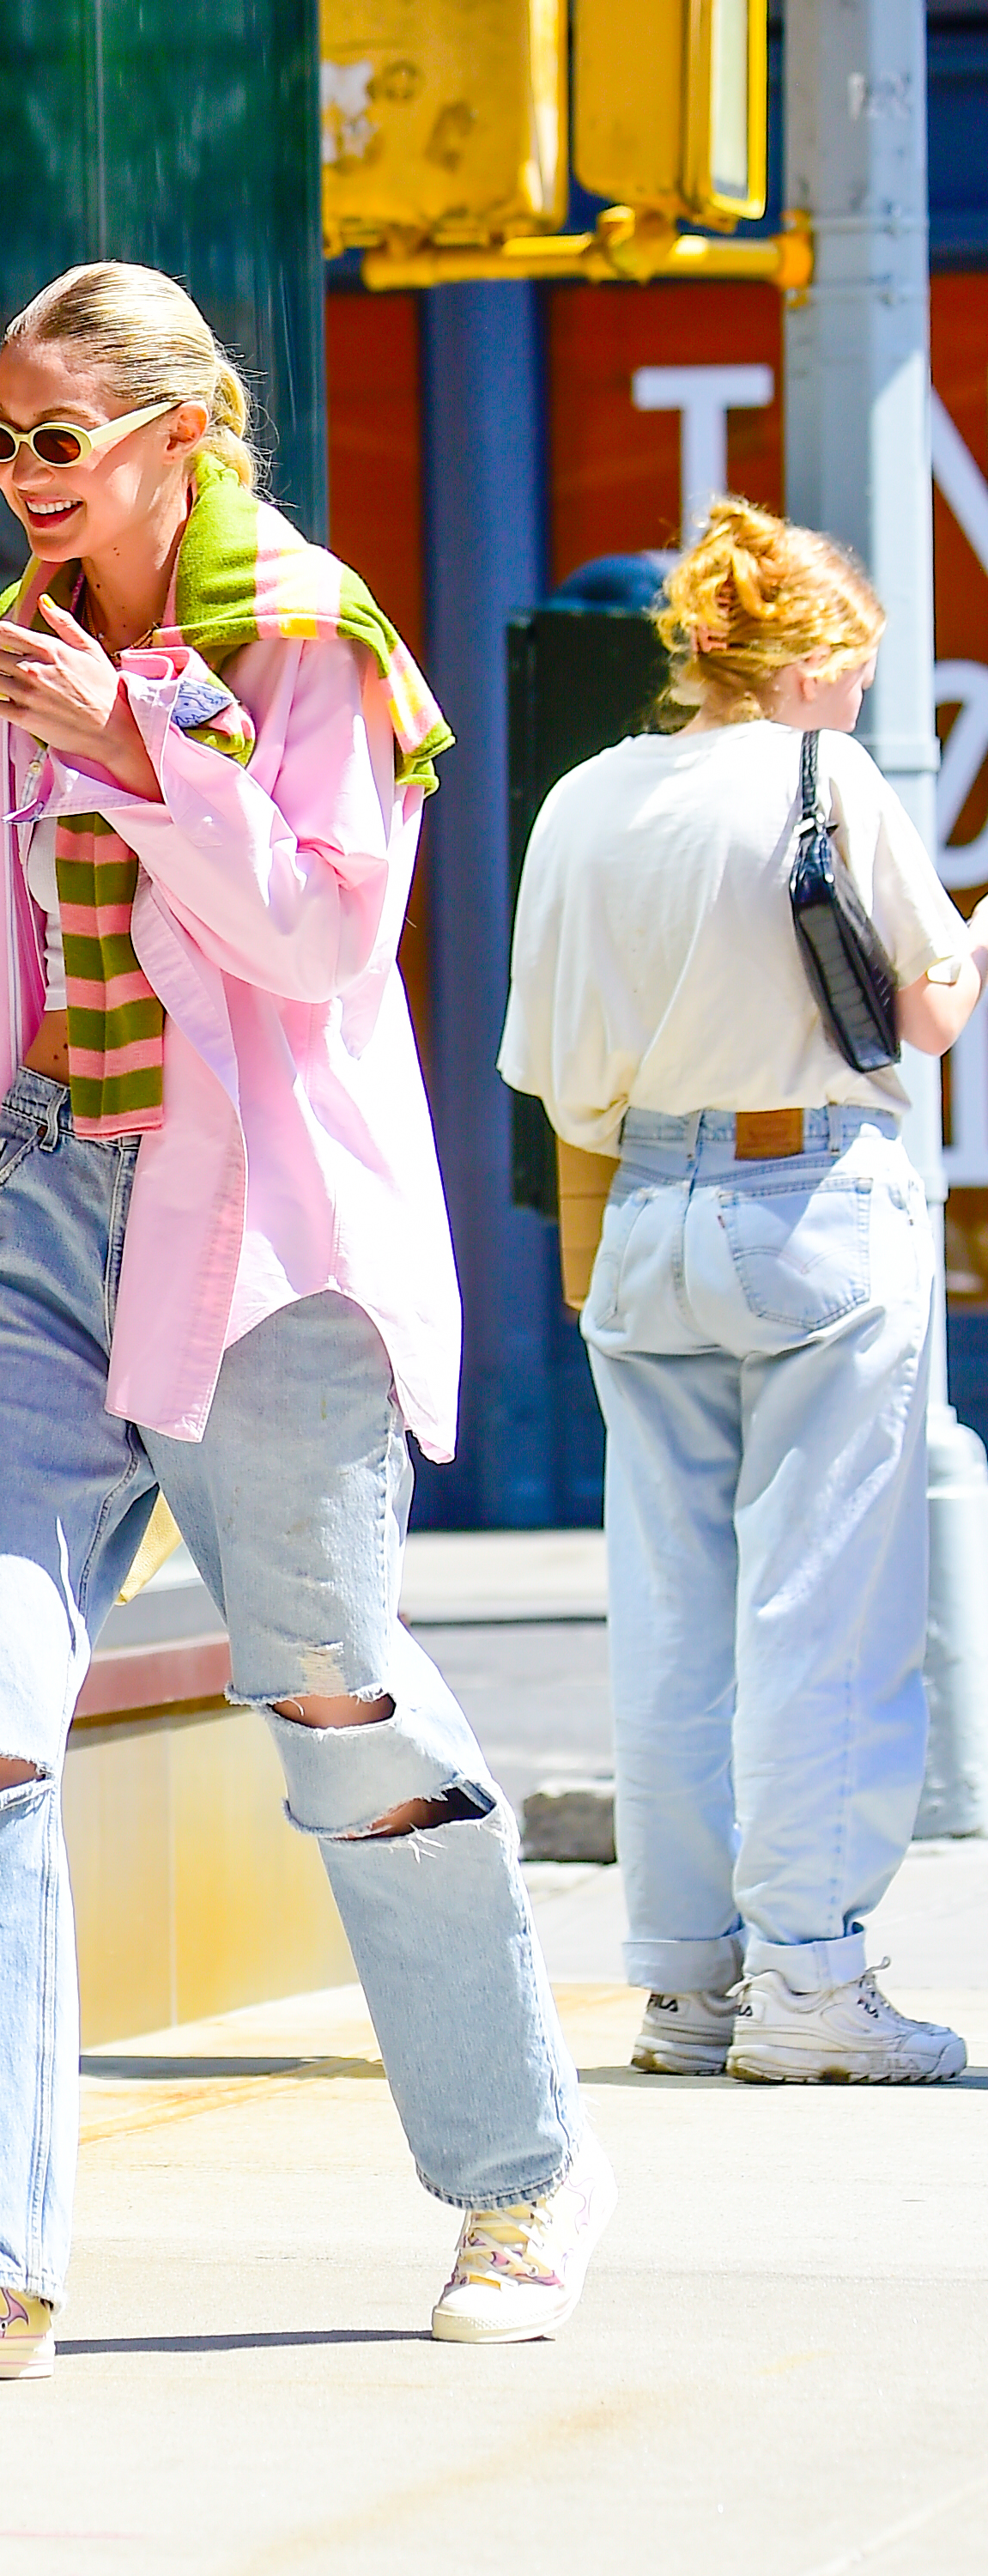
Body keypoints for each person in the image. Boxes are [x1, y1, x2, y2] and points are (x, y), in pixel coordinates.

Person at [0, 262, 612, 2387]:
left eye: (56, 435)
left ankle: (518, 2178)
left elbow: (328, 936)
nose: (20, 476)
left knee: (331, 1702)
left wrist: (144, 745)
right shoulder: (1, 669)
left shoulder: (311, 638)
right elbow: (20, 957)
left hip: (260, 1237)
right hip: (44, 1209)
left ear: (179, 430)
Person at [501, 497, 984, 2087]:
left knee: (673, 1609)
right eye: (851, 667)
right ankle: (811, 1982)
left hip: (644, 1215)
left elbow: (546, 1070)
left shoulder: (579, 800)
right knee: (825, 1607)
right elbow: (918, 1013)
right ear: (801, 665)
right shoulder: (822, 777)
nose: (857, 700)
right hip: (813, 1211)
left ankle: (684, 1983)